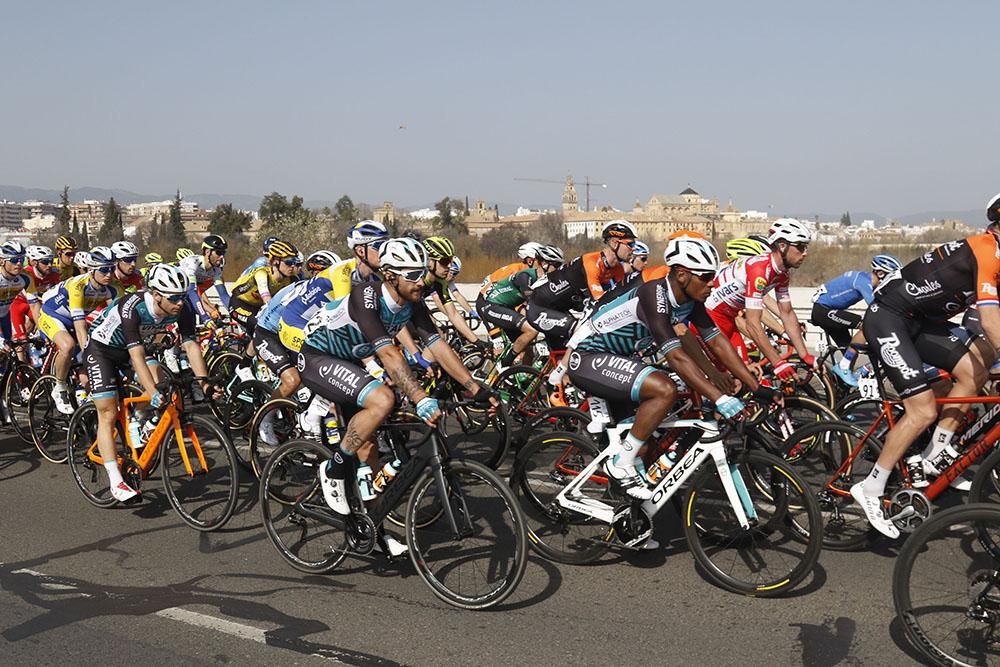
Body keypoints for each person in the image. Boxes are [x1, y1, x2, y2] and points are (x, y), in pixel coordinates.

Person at [305, 238, 493, 555]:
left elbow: (438, 345)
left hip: (350, 360)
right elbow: (390, 355)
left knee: (370, 451)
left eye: (422, 273)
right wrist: (421, 398)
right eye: (412, 275)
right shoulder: (365, 297)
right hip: (317, 356)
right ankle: (334, 469)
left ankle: (371, 528)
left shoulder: (413, 300)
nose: (421, 281)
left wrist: (474, 387)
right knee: (383, 400)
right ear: (391, 275)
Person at [568, 236, 773, 504]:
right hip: (588, 357)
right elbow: (676, 355)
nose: (713, 282)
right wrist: (719, 397)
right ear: (682, 274)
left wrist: (757, 388)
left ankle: (631, 522)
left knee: (650, 438)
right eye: (706, 276)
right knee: (664, 389)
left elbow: (716, 342)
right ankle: (621, 464)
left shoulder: (691, 300)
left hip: (620, 360)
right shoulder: (654, 294)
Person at [851, 205, 1000, 538]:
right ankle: (871, 487)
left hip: (919, 322)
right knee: (922, 410)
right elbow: (990, 321)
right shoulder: (987, 251)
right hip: (888, 317)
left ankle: (936, 453)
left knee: (975, 372)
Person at [85, 264, 217, 502]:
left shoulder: (182, 307)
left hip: (130, 350)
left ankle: (142, 420)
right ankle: (116, 481)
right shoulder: (132, 306)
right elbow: (136, 357)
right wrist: (151, 392)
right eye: (173, 297)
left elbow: (190, 345)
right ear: (156, 294)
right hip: (102, 350)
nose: (179, 302)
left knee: (162, 379)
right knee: (108, 412)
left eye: (182, 296)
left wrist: (203, 382)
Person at [705, 218, 816, 378]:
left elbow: (787, 313)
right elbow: (753, 322)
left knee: (748, 377)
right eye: (800, 246)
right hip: (709, 319)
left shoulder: (782, 274)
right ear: (782, 246)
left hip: (728, 319)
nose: (805, 252)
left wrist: (805, 355)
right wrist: (778, 363)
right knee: (731, 378)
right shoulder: (759, 271)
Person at [277, 221, 388, 354]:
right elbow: (344, 319)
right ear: (360, 250)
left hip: (319, 326)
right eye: (379, 246)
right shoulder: (343, 271)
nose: (385, 251)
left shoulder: (374, 279)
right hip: (294, 324)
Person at [526, 220, 636, 349]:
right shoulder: (591, 262)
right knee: (584, 335)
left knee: (569, 355)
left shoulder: (618, 270)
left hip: (560, 310)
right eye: (630, 244)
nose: (633, 248)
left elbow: (622, 297)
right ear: (614, 243)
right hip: (538, 308)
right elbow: (601, 301)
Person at [38, 246, 119, 414]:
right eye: (104, 270)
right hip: (52, 316)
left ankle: (84, 408)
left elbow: (122, 318)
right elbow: (80, 324)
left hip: (75, 321)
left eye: (112, 269)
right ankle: (59, 387)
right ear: (91, 270)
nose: (109, 274)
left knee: (87, 375)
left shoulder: (114, 288)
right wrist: (89, 353)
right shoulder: (78, 286)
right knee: (68, 346)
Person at [811, 254, 902, 386]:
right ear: (881, 273)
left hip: (829, 310)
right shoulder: (863, 282)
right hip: (823, 311)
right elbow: (876, 308)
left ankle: (842, 388)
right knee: (867, 325)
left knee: (851, 350)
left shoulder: (865, 280)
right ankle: (843, 368)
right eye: (890, 277)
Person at [479, 245, 563, 368]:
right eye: (557, 266)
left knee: (528, 347)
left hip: (507, 308)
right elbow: (530, 296)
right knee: (531, 330)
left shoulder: (546, 281)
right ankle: (505, 364)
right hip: (492, 306)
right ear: (545, 264)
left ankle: (526, 378)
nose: (559, 269)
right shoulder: (526, 275)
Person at [229, 240, 300, 337]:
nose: (293, 266)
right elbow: (268, 301)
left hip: (258, 308)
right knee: (261, 328)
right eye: (289, 262)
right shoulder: (262, 274)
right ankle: (249, 353)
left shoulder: (292, 280)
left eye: (295, 262)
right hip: (240, 305)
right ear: (275, 262)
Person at [11, 245, 60, 345]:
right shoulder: (26, 273)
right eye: (45, 262)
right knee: (21, 339)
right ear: (34, 262)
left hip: (34, 304)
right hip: (18, 304)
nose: (50, 265)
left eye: (52, 260)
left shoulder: (55, 274)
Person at [179, 234, 231, 321]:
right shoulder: (193, 263)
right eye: (218, 252)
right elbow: (191, 292)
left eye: (223, 253)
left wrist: (236, 314)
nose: (222, 257)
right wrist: (205, 318)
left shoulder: (216, 270)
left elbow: (223, 295)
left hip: (186, 292)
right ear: (207, 252)